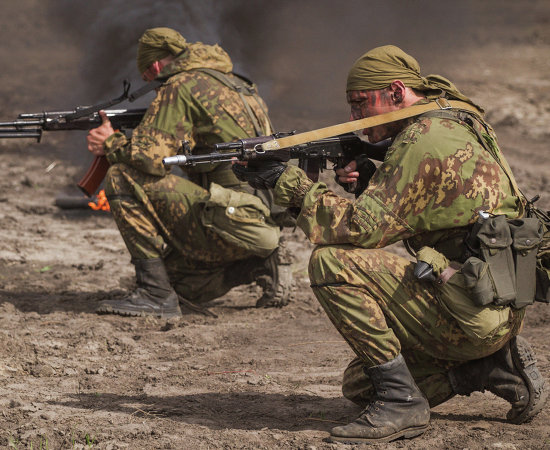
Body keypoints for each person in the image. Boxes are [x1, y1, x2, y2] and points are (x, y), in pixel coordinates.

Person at [233, 45, 547, 444]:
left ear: (397, 93)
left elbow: (362, 229)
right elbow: (428, 208)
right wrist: (368, 178)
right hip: (485, 298)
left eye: (360, 104)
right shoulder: (451, 118)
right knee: (359, 386)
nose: (354, 119)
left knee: (331, 263)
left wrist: (287, 183)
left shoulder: (423, 140)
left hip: (471, 308)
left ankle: (403, 404)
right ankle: (486, 368)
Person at [86, 27, 292, 319]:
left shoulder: (179, 86)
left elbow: (148, 158)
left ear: (156, 65)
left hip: (228, 220)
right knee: (179, 285)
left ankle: (155, 295)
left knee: (120, 175)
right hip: (257, 218)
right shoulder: (238, 85)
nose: (153, 85)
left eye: (149, 78)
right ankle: (257, 262)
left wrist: (110, 142)